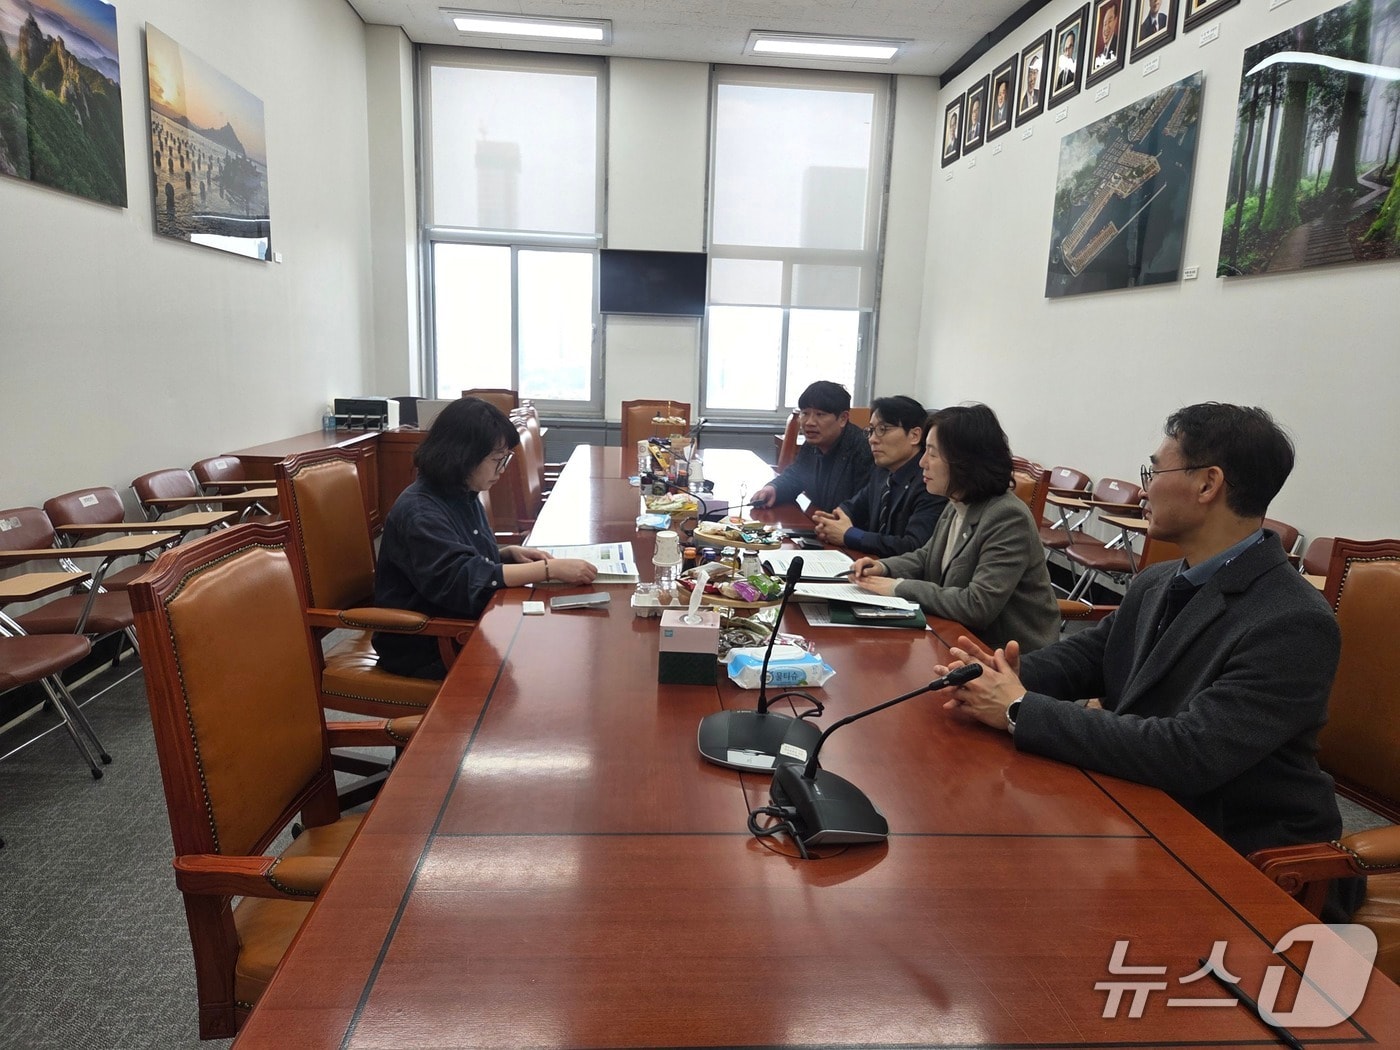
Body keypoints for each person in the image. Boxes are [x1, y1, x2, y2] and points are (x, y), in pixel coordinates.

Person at [936, 403, 1361, 919]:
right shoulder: (1162, 579)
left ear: (1208, 485)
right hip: (1142, 806)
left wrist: (1019, 709)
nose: (1146, 489)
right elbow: (1090, 656)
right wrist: (992, 674)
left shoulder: (1292, 621)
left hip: (1240, 855)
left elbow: (1189, 753)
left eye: (1153, 471)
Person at [373, 397, 597, 678]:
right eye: (496, 460)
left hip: (462, 623)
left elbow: (461, 556)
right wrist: (547, 569)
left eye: (505, 459)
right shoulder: (421, 511)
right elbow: (461, 582)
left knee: (558, 645)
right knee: (549, 665)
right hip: (428, 641)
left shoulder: (459, 492)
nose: (501, 470)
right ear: (462, 455)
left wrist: (506, 554)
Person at [850, 404, 1059, 652]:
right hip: (956, 637)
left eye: (932, 454)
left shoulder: (1007, 516)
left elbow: (977, 605)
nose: (922, 463)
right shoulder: (957, 501)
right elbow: (928, 555)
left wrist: (898, 587)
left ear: (964, 462)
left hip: (1005, 656)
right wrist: (885, 567)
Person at [811, 396, 945, 557]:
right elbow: (855, 506)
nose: (873, 439)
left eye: (883, 429)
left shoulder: (930, 482)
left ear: (914, 435)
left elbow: (914, 546)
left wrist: (849, 535)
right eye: (871, 431)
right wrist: (833, 520)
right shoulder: (882, 471)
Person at [753, 381, 874, 513]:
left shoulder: (863, 449)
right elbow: (796, 476)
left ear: (843, 419)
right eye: (805, 413)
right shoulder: (812, 444)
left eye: (820, 414)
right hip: (819, 524)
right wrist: (773, 488)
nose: (809, 422)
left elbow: (862, 506)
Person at [1093, 1, 1119, 69]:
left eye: (1110, 21)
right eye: (1104, 24)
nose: (1106, 28)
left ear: (1115, 21)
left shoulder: (1118, 45)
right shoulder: (1100, 55)